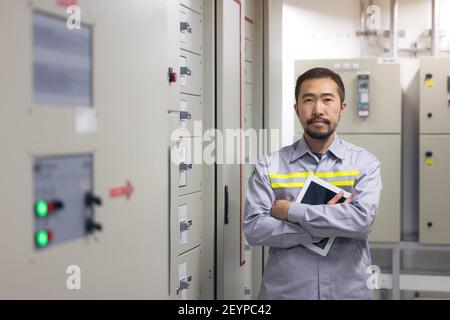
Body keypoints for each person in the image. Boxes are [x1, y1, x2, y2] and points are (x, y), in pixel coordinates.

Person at [244, 67, 382, 299]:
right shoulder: (269, 165)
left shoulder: (364, 163)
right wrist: (332, 225)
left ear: (342, 108)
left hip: (348, 293)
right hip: (286, 293)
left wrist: (291, 211)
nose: (318, 109)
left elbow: (362, 222)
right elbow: (255, 230)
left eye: (327, 100)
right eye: (308, 100)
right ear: (297, 109)